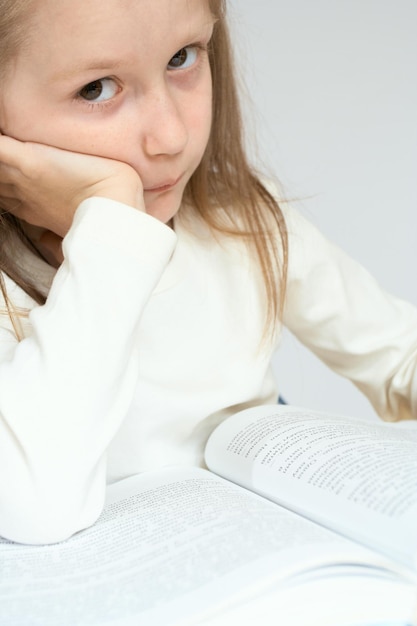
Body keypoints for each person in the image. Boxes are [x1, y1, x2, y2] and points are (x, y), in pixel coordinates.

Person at [0, 0, 416, 546]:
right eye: (97, 89)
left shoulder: (242, 225)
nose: (170, 137)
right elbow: (33, 508)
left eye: (182, 57)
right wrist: (113, 223)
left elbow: (399, 356)